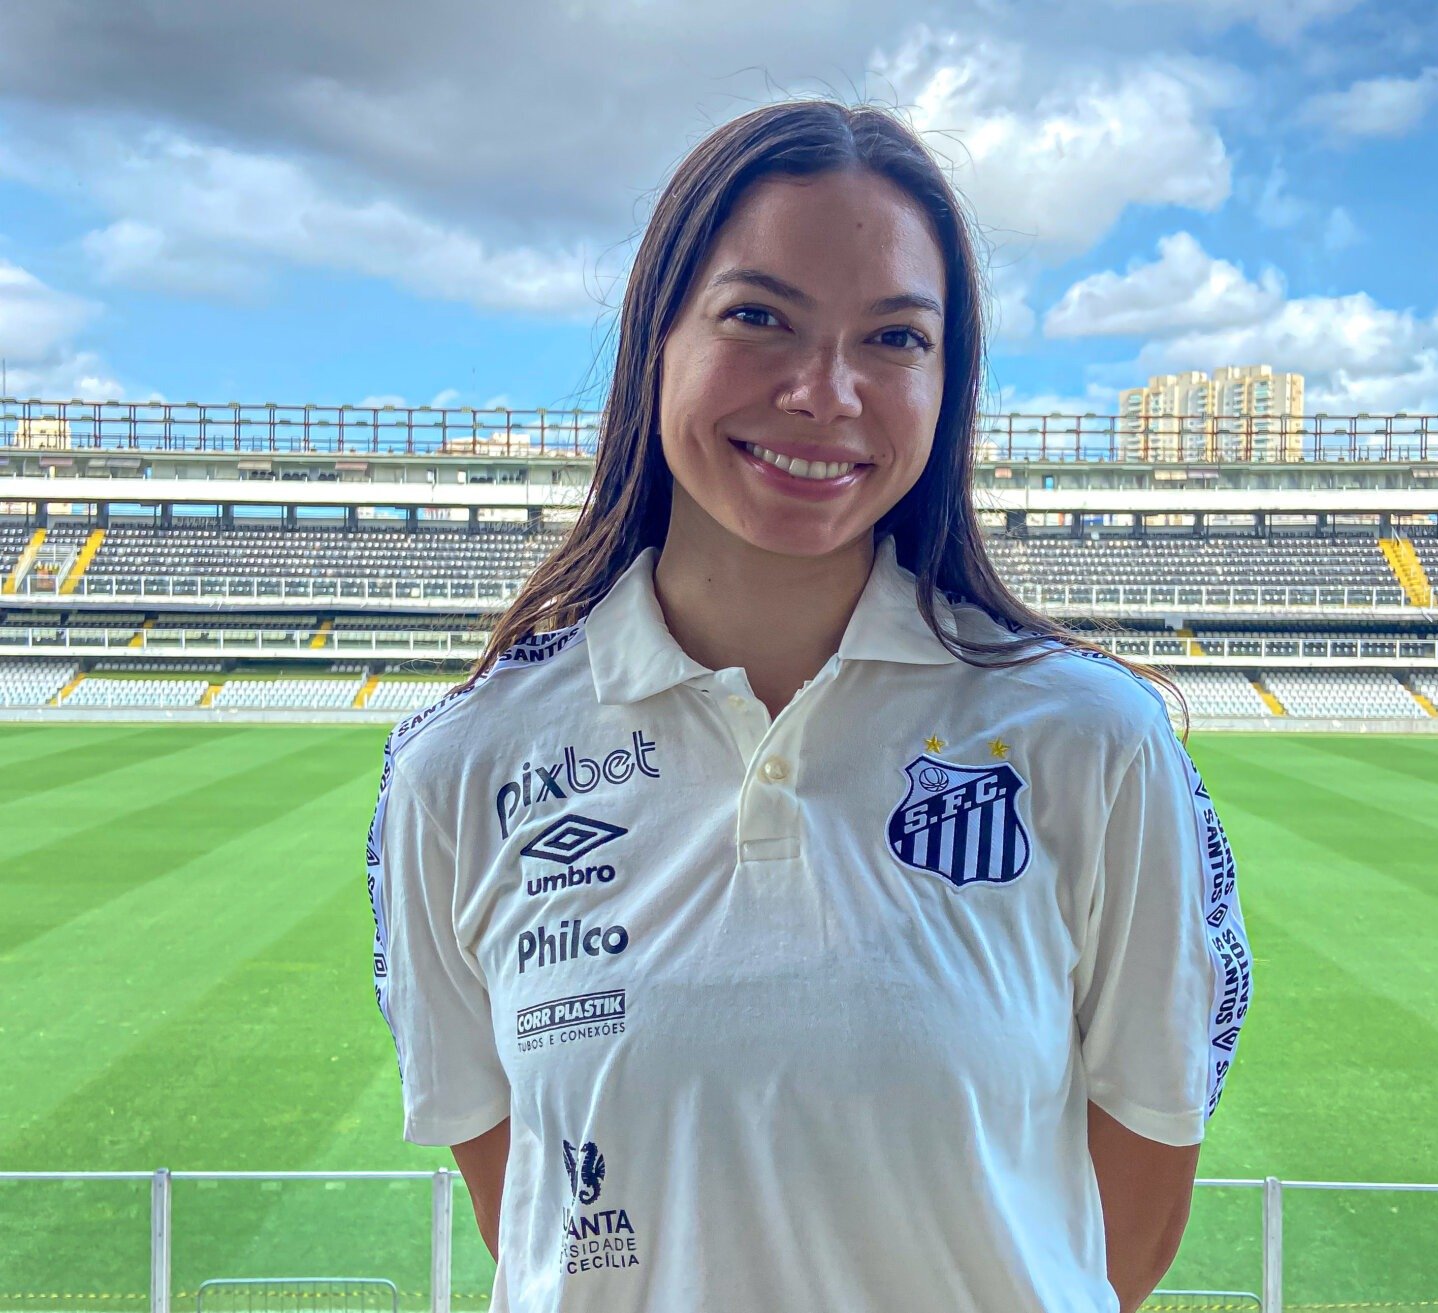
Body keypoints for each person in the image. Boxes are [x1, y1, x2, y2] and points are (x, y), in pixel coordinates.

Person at [365, 98, 1253, 1313]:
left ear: (949, 382)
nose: (823, 392)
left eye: (894, 339)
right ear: (654, 340)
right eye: (759, 316)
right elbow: (535, 1212)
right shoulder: (456, 766)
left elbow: (1126, 1226)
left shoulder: (1094, 738)